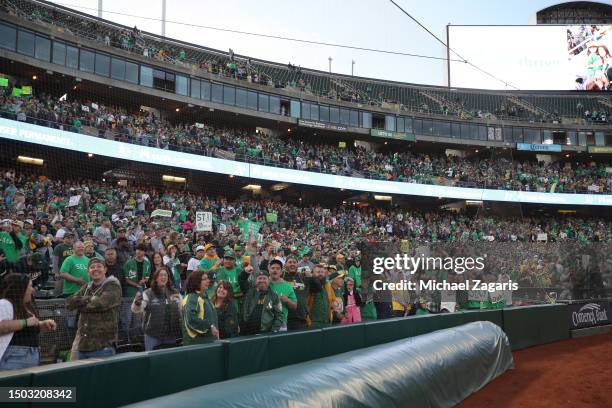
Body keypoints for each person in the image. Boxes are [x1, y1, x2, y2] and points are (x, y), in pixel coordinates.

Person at [66, 258, 122, 360]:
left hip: (103, 347)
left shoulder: (113, 286)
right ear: (88, 272)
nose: (95, 269)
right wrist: (89, 300)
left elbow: (101, 303)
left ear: (105, 270)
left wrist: (80, 303)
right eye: (92, 267)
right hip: (83, 346)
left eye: (99, 266)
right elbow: (69, 303)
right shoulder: (86, 287)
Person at [0, 274, 57, 370]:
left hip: (32, 356)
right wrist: (25, 322)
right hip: (13, 358)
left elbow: (25, 326)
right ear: (20, 288)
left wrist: (42, 324)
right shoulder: (5, 303)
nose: (33, 289)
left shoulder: (25, 307)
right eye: (30, 286)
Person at [131, 267, 182, 351]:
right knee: (153, 361)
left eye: (165, 275)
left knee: (169, 360)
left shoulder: (175, 293)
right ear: (156, 278)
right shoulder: (148, 293)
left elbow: (182, 310)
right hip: (152, 334)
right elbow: (136, 310)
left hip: (171, 334)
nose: (163, 277)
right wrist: (137, 303)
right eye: (160, 275)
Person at [238, 269, 283, 335]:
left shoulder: (274, 296)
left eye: (264, 278)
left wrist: (273, 331)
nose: (262, 280)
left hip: (265, 332)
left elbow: (279, 315)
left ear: (269, 280)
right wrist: (245, 272)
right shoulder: (249, 291)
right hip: (246, 332)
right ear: (256, 280)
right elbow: (241, 280)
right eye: (259, 278)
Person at [181, 270, 219, 345]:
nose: (208, 281)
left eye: (207, 278)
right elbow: (191, 320)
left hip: (209, 342)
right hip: (197, 345)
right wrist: (210, 326)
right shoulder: (192, 298)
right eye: (204, 279)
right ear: (196, 282)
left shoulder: (205, 298)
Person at [267, 259, 297, 331]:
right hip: (264, 322)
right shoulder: (263, 282)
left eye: (278, 268)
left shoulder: (288, 286)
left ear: (281, 271)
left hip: (281, 323)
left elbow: (294, 306)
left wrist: (287, 300)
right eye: (273, 268)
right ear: (269, 270)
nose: (275, 270)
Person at [283, 255, 310, 330]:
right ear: (285, 265)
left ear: (297, 265)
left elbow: (317, 287)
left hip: (301, 318)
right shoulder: (280, 277)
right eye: (290, 262)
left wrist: (311, 277)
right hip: (284, 319)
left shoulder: (303, 277)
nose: (292, 264)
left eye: (294, 262)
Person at [308, 264, 336, 328]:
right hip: (313, 323)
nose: (320, 274)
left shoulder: (328, 284)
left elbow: (334, 299)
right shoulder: (309, 285)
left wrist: (335, 303)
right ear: (312, 273)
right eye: (318, 272)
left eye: (322, 272)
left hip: (327, 322)